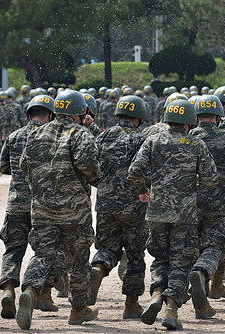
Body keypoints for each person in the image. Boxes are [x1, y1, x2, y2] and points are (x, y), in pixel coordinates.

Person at [128, 98, 218, 331]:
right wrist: (194, 186)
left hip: (156, 213)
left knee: (160, 258)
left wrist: (143, 190)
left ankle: (157, 293)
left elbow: (134, 171)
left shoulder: (153, 140)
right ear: (190, 121)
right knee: (181, 262)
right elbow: (211, 180)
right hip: (184, 214)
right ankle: (171, 308)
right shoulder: (196, 145)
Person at [16, 90, 100, 329]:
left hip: (42, 209)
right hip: (75, 211)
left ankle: (31, 291)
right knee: (78, 260)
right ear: (81, 112)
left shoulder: (36, 133)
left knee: (43, 255)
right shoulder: (81, 134)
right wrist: (94, 177)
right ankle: (77, 310)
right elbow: (88, 165)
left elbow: (24, 165)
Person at [0, 94, 59, 319]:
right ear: (50, 115)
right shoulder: (52, 136)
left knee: (13, 249)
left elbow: (3, 167)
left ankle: (8, 290)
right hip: (43, 205)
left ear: (29, 113)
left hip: (16, 204)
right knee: (45, 252)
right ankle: (41, 295)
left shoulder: (14, 136)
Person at [87, 95, 148, 318]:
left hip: (105, 204)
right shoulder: (141, 140)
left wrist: (101, 186)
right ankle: (131, 305)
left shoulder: (103, 137)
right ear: (139, 118)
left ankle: (98, 269)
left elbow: (90, 166)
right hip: (134, 206)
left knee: (107, 248)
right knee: (134, 254)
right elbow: (145, 172)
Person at [187, 94, 225, 319]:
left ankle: (198, 294)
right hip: (219, 203)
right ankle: (208, 279)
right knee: (216, 246)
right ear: (219, 116)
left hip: (191, 203)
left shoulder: (189, 136)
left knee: (193, 245)